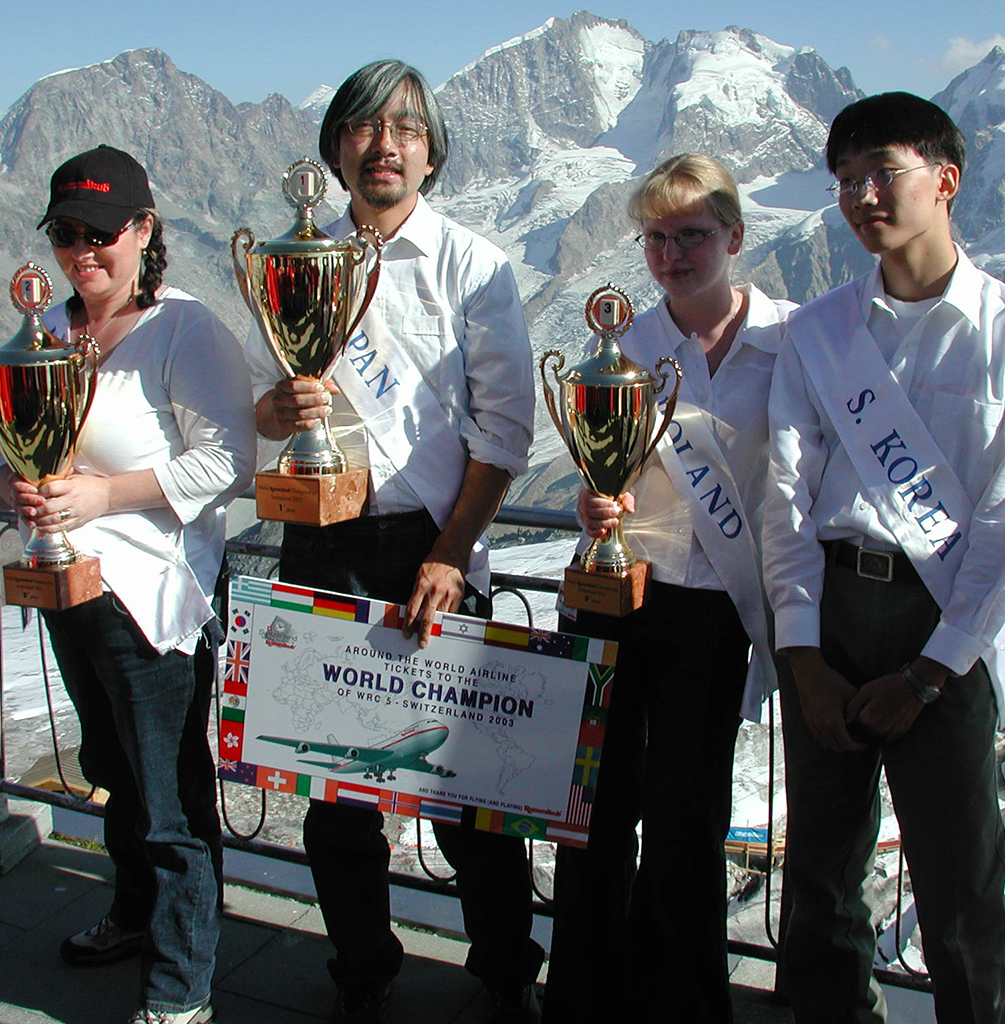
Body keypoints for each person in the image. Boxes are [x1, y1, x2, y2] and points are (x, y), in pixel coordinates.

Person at [244, 60, 540, 1024]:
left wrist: (450, 554)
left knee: (468, 795)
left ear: (430, 154)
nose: (385, 146)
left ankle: (507, 974)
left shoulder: (471, 263)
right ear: (336, 148)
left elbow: (505, 432)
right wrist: (277, 407)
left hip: (433, 550)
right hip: (320, 539)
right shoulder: (295, 256)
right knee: (335, 794)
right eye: (366, 128)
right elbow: (253, 412)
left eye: (406, 130)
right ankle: (361, 972)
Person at [763, 92, 1005, 1023]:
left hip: (944, 625)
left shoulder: (997, 329)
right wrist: (801, 655)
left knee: (959, 884)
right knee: (821, 877)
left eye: (881, 172)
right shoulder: (818, 330)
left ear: (945, 180)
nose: (861, 195)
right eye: (844, 180)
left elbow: (1000, 522)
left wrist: (931, 672)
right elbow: (784, 494)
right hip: (832, 611)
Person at [1, 145, 257, 1024]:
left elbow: (227, 461)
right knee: (112, 768)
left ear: (144, 231)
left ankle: (183, 980)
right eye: (66, 234)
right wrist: (19, 489)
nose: (83, 252)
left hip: (152, 603)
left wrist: (103, 495)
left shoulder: (184, 330)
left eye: (100, 234)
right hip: (68, 590)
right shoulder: (41, 335)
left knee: (168, 795)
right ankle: (137, 912)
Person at [543, 154, 795, 1022]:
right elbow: (595, 462)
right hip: (619, 596)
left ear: (734, 236)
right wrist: (590, 501)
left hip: (716, 609)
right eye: (655, 238)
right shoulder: (624, 347)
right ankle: (583, 999)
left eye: (691, 234)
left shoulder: (790, 341)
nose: (672, 255)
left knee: (688, 819)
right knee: (593, 807)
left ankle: (681, 1004)